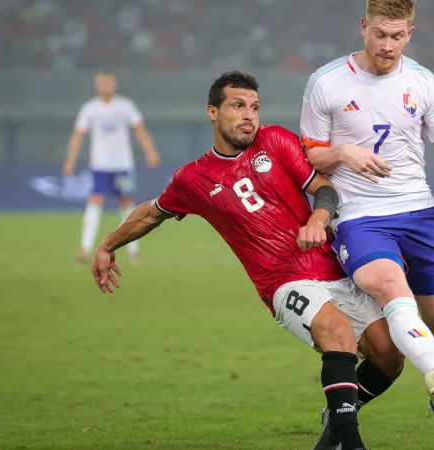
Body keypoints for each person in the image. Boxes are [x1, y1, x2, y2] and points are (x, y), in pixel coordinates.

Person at [90, 71, 405, 450]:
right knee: (337, 335)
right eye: (238, 106)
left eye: (254, 107)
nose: (249, 116)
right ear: (212, 112)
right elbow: (150, 213)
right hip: (283, 282)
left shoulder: (275, 141)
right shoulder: (194, 178)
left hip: (331, 267)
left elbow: (324, 188)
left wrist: (318, 219)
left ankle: (339, 415)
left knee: (390, 356)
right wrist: (108, 245)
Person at [300, 1, 434, 448]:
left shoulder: (423, 83)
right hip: (360, 216)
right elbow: (308, 155)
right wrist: (344, 153)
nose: (388, 45)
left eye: (398, 36)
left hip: (418, 212)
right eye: (380, 34)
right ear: (364, 27)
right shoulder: (327, 82)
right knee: (391, 288)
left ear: (411, 33)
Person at [63, 71, 161, 264]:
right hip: (99, 164)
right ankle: (85, 248)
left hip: (122, 164)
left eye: (107, 82)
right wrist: (70, 160)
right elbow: (78, 136)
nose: (104, 85)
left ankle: (134, 251)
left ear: (114, 84)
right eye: (100, 82)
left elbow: (139, 130)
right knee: (95, 200)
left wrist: (150, 151)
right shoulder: (90, 108)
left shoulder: (125, 106)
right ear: (96, 85)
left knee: (126, 204)